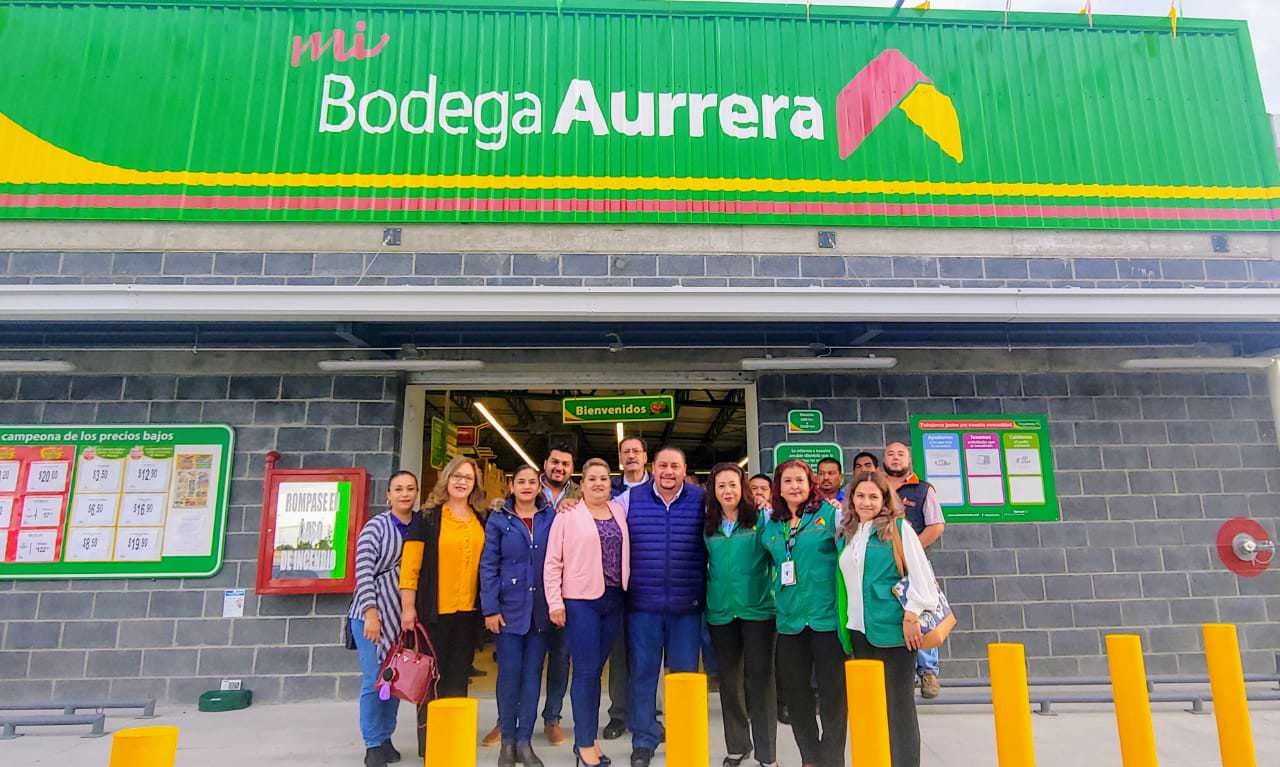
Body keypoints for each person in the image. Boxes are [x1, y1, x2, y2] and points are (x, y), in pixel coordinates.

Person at [836, 471, 940, 767]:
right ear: (851, 499)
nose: (866, 502)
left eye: (873, 496)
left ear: (885, 499)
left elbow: (922, 576)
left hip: (894, 631)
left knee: (899, 709)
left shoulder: (899, 529)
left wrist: (912, 614)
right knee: (870, 707)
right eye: (860, 495)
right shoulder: (849, 532)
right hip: (859, 631)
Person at [615, 446, 707, 767]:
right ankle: (644, 739)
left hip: (687, 606)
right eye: (663, 465)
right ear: (653, 468)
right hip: (643, 606)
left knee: (684, 676)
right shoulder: (629, 499)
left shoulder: (701, 500)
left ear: (684, 470)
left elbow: (736, 512)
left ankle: (682, 737)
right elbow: (596, 512)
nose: (668, 472)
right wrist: (569, 504)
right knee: (643, 673)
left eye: (675, 466)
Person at [544, 458, 631, 767]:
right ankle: (583, 743)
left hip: (614, 600)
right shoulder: (568, 515)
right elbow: (553, 561)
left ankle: (590, 738)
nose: (598, 483)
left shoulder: (619, 511)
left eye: (604, 479)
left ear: (610, 484)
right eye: (592, 478)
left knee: (597, 670)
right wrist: (555, 602)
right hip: (581, 602)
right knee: (585, 672)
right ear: (582, 484)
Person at [399, 456, 487, 757]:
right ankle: (430, 746)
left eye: (468, 478)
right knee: (431, 681)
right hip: (433, 613)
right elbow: (410, 567)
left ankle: (451, 741)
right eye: (457, 476)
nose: (462, 482)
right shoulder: (426, 518)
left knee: (458, 678)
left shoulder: (481, 517)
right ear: (446, 479)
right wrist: (408, 608)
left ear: (475, 485)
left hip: (467, 613)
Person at [760, 460, 846, 767]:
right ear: (779, 488)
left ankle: (831, 759)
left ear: (811, 485)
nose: (794, 486)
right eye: (787, 481)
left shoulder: (831, 515)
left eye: (800, 480)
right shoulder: (771, 524)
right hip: (790, 621)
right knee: (797, 697)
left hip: (826, 619)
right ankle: (809, 757)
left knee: (833, 696)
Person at [480, 465, 555, 767]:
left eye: (532, 482)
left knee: (532, 675)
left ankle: (525, 741)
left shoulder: (551, 517)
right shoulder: (499, 519)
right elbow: (488, 565)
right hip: (508, 609)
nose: (526, 486)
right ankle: (507, 742)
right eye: (521, 481)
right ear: (511, 486)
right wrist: (490, 608)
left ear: (539, 486)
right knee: (509, 675)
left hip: (540, 610)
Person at [704, 463, 777, 767]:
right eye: (721, 486)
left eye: (733, 484)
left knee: (760, 681)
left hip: (757, 610)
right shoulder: (708, 524)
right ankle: (737, 745)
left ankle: (767, 754)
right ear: (713, 490)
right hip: (721, 612)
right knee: (729, 681)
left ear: (743, 487)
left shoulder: (761, 518)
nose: (727, 491)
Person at [349, 470, 419, 767]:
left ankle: (386, 736)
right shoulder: (375, 527)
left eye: (410, 489)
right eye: (398, 489)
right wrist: (371, 614)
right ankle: (372, 743)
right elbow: (363, 571)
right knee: (373, 680)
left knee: (394, 679)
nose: (405, 494)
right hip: (372, 613)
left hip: (399, 616)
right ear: (388, 494)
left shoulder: (418, 525)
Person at [882, 442, 947, 700]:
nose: (895, 458)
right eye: (890, 454)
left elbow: (936, 526)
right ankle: (899, 675)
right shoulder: (876, 487)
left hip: (914, 565)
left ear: (909, 459)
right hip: (883, 564)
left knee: (921, 613)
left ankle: (928, 671)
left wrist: (910, 550)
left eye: (901, 454)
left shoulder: (923, 489)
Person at [604, 435, 650, 741]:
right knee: (619, 652)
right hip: (616, 582)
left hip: (650, 580)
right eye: (626, 452)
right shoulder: (608, 490)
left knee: (647, 652)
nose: (631, 455)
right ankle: (618, 714)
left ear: (646, 456)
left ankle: (646, 713)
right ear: (620, 458)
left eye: (636, 451)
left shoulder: (659, 488)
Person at [536, 442, 578, 747]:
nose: (559, 468)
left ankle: (552, 718)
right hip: (529, 589)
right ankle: (509, 720)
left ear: (572, 469)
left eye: (565, 464)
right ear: (545, 464)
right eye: (555, 462)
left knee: (561, 658)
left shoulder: (580, 496)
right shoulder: (526, 488)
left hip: (566, 590)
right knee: (527, 660)